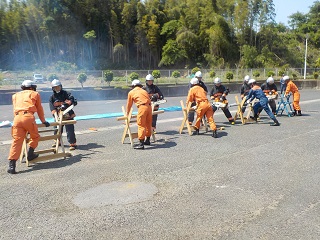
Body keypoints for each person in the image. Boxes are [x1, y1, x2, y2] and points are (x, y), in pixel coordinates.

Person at [7, 80, 50, 174]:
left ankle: (11, 165)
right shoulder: (35, 94)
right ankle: (30, 154)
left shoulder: (15, 95)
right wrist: (43, 121)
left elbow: (15, 110)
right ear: (31, 87)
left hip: (17, 118)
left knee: (16, 141)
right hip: (28, 117)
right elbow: (39, 109)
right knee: (35, 136)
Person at [49, 79, 78, 150]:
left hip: (68, 115)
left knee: (70, 130)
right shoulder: (52, 97)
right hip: (58, 115)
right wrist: (56, 116)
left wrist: (69, 103)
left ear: (61, 86)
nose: (57, 89)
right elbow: (52, 107)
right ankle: (57, 142)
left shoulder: (66, 93)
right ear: (53, 88)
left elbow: (72, 100)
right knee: (57, 129)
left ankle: (72, 143)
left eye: (58, 87)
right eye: (55, 87)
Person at [126, 79, 153, 149]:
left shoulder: (131, 92)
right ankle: (147, 140)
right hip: (149, 107)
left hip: (142, 107)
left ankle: (141, 144)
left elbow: (129, 105)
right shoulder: (144, 91)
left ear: (133, 86)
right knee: (148, 124)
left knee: (141, 124)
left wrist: (127, 113)